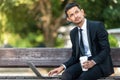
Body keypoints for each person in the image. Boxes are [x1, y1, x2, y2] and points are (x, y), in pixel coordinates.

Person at [48, 2, 114, 80]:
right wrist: (62, 67)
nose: (76, 16)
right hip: (83, 63)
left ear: (82, 12)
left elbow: (106, 50)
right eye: (71, 15)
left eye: (77, 12)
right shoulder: (73, 33)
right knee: (66, 75)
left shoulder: (97, 26)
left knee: (83, 77)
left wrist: (93, 62)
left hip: (99, 63)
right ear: (69, 19)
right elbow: (74, 56)